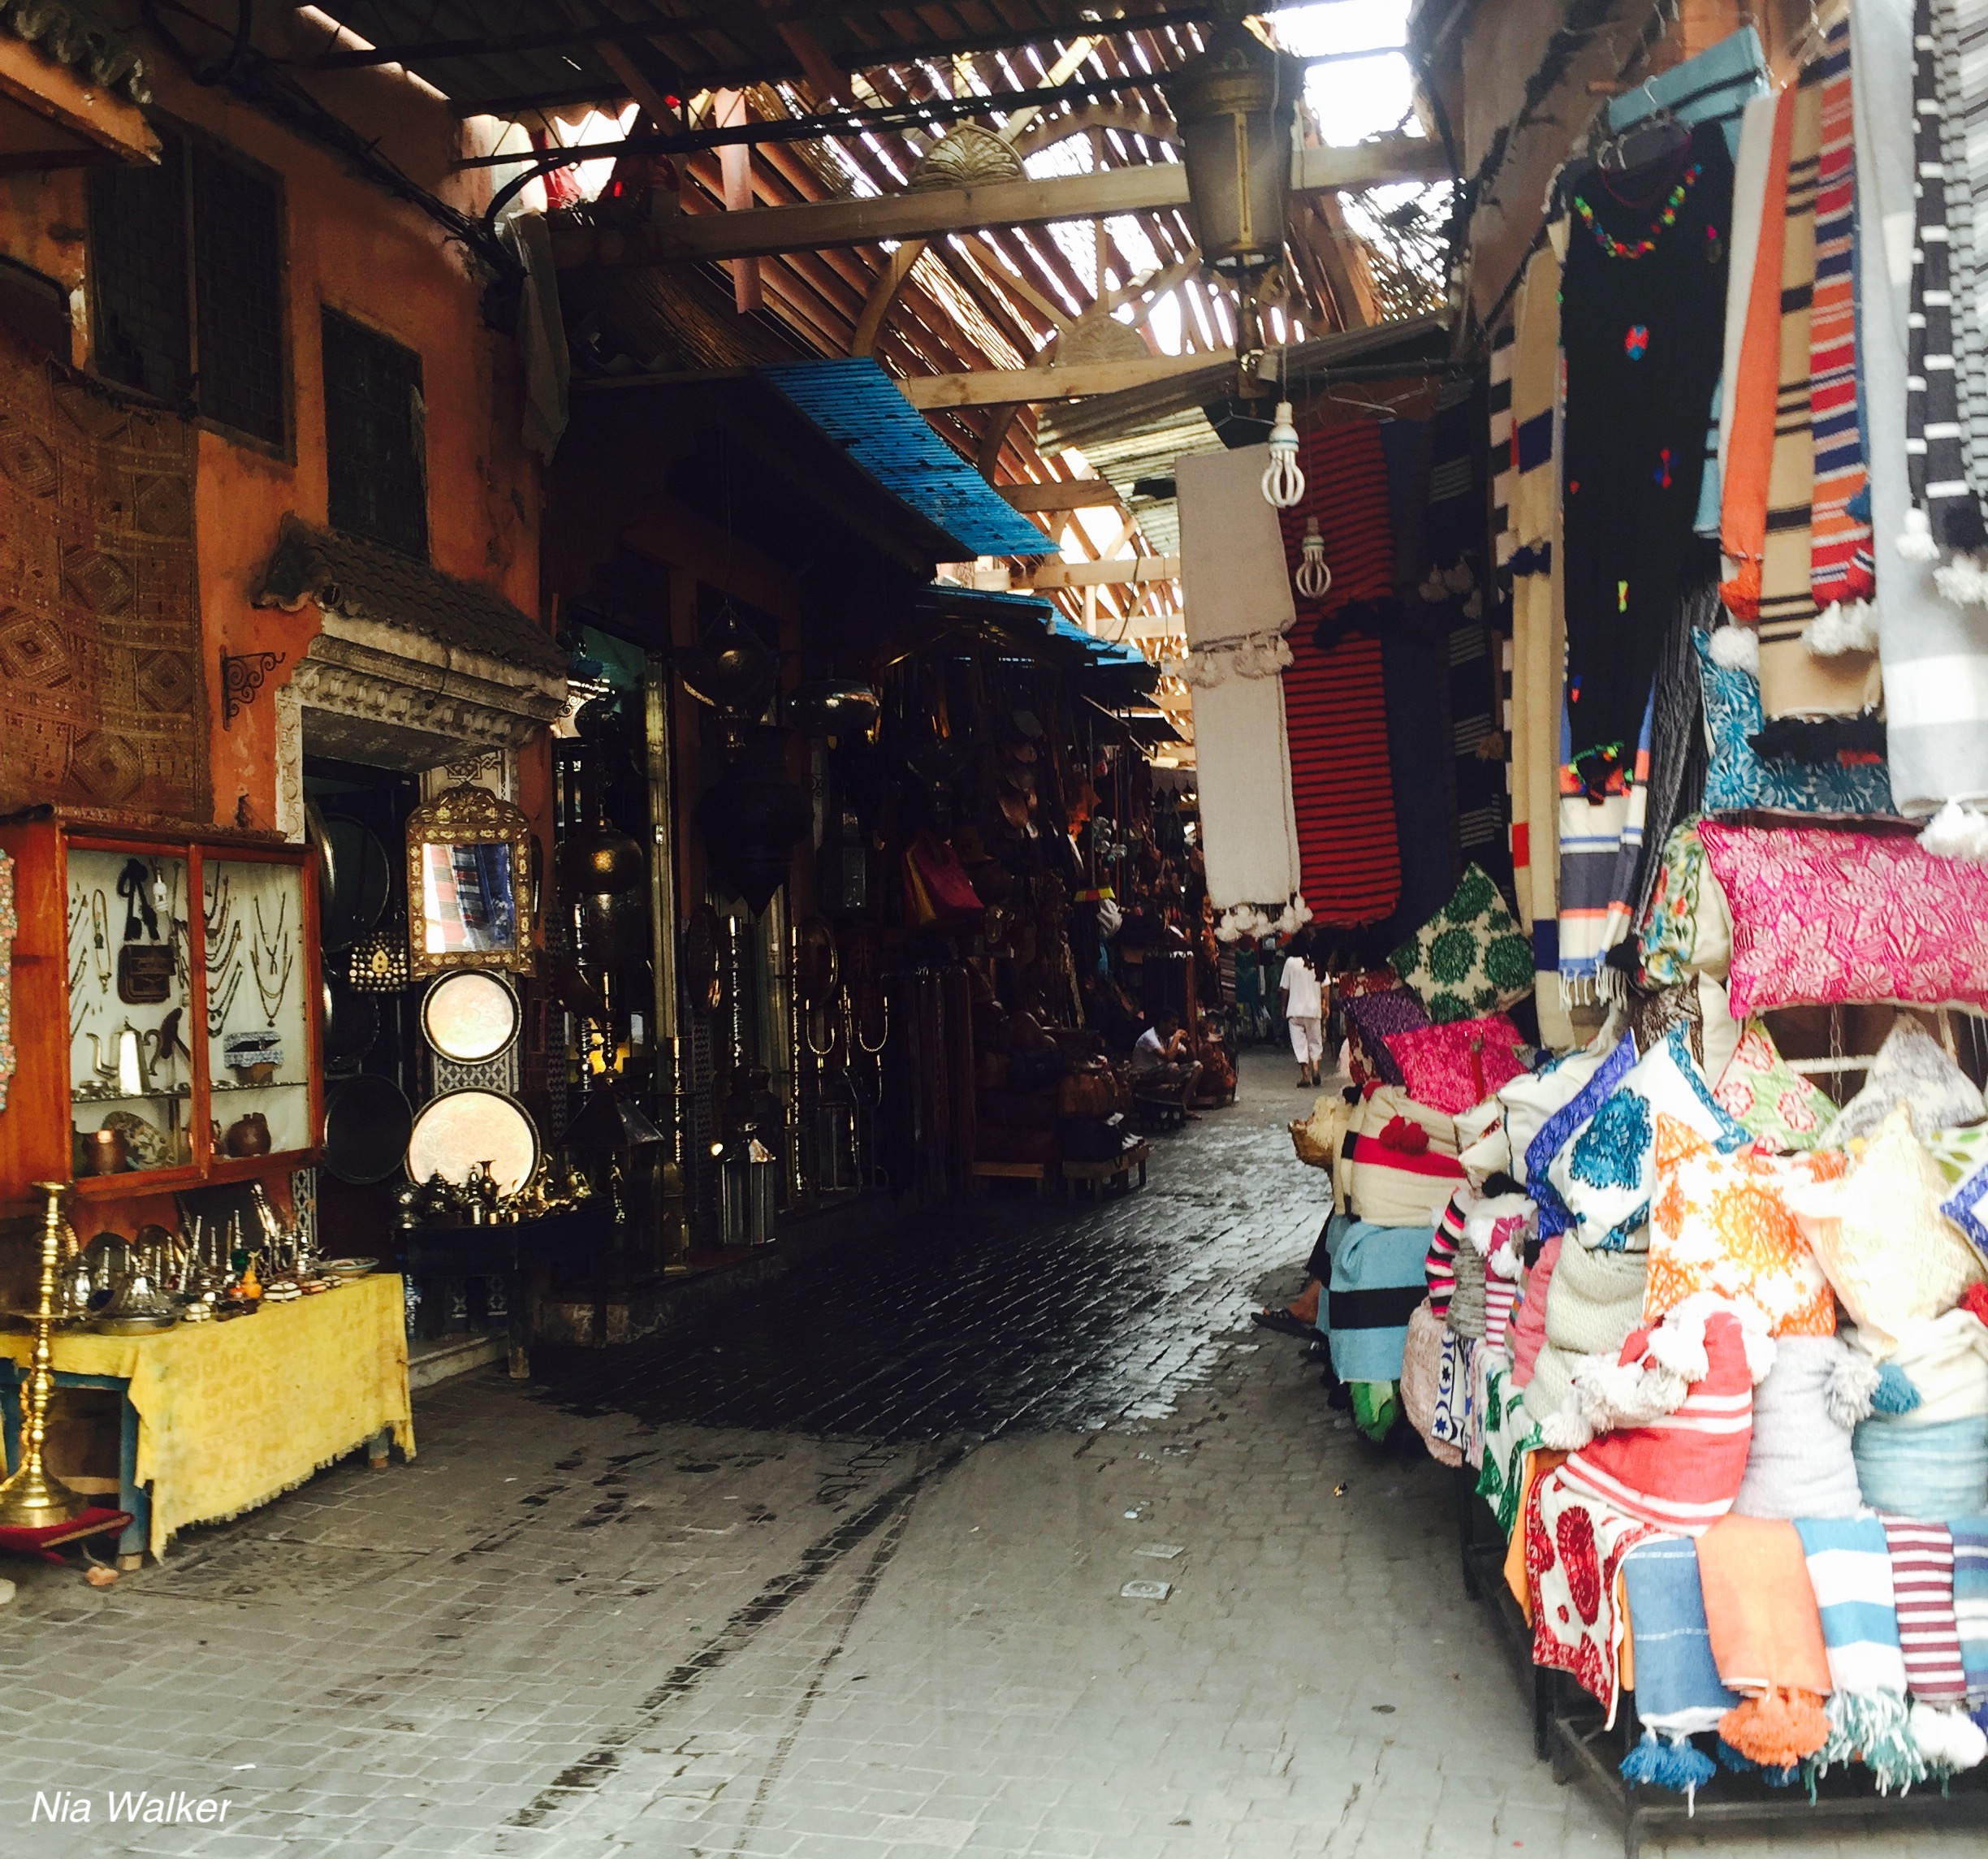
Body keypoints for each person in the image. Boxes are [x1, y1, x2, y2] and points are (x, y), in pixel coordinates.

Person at [1279, 929, 1326, 1088]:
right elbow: (1325, 985)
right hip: (1313, 1010)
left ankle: (1305, 1076)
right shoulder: (1316, 962)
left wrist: (1283, 1006)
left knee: (1299, 1043)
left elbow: (1285, 988)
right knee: (1315, 1040)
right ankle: (1316, 1069)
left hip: (1295, 1010)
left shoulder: (1290, 963)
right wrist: (1326, 1004)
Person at [1132, 1011, 1204, 1116]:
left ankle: (1182, 1106)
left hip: (1162, 1072)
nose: (1176, 1029)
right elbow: (1168, 1058)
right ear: (1162, 1024)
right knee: (1173, 1067)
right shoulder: (1149, 1037)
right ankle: (1169, 1106)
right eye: (1173, 1025)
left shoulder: (1169, 1038)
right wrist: (1177, 1037)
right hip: (1144, 1076)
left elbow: (1191, 1058)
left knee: (1197, 1066)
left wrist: (1187, 1043)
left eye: (1177, 1025)